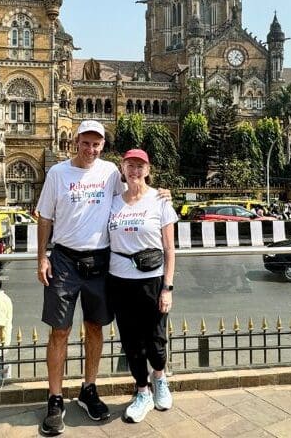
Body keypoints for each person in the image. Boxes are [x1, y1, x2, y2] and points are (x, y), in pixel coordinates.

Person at [36, 119, 170, 435]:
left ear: (102, 146)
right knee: (60, 330)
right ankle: (55, 398)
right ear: (76, 141)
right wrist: (42, 256)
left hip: (100, 261)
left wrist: (162, 193)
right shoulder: (58, 173)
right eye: (86, 142)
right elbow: (44, 217)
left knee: (95, 327)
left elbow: (136, 193)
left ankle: (89, 389)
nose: (91, 148)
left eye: (97, 144)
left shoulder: (111, 172)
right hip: (64, 259)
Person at [107, 148, 177, 424]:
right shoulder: (113, 202)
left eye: (140, 166)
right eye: (130, 166)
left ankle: (160, 378)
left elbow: (170, 249)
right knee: (131, 341)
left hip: (152, 279)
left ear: (148, 170)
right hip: (120, 280)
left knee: (156, 340)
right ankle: (142, 391)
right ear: (122, 169)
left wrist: (167, 288)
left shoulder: (160, 200)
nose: (135, 171)